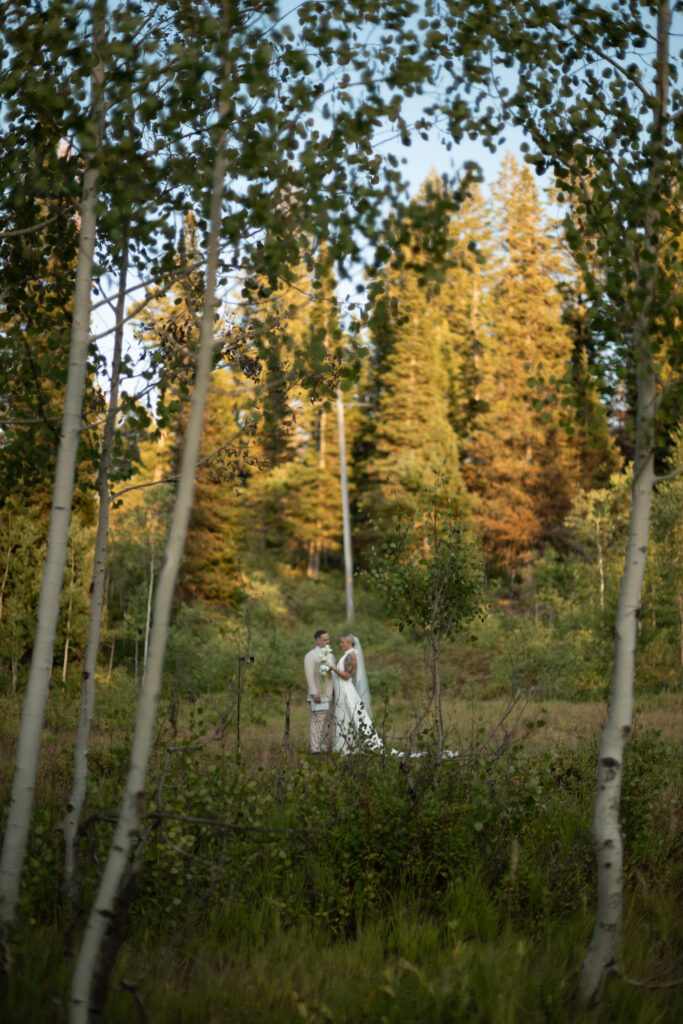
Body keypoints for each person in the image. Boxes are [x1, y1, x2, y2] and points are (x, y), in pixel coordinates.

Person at [329, 634, 382, 754]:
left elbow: (347, 676)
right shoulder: (347, 655)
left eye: (342, 642)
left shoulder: (351, 656)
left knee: (346, 715)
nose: (340, 644)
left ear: (349, 643)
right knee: (343, 716)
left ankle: (345, 748)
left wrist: (334, 669)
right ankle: (344, 747)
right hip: (341, 690)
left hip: (345, 690)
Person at [304, 628, 334, 753]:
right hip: (318, 695)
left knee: (327, 722)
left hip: (330, 694)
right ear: (317, 640)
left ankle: (324, 747)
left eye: (328, 639)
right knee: (317, 721)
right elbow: (309, 675)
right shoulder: (311, 655)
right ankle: (315, 748)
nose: (328, 641)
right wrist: (314, 692)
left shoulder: (330, 655)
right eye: (324, 639)